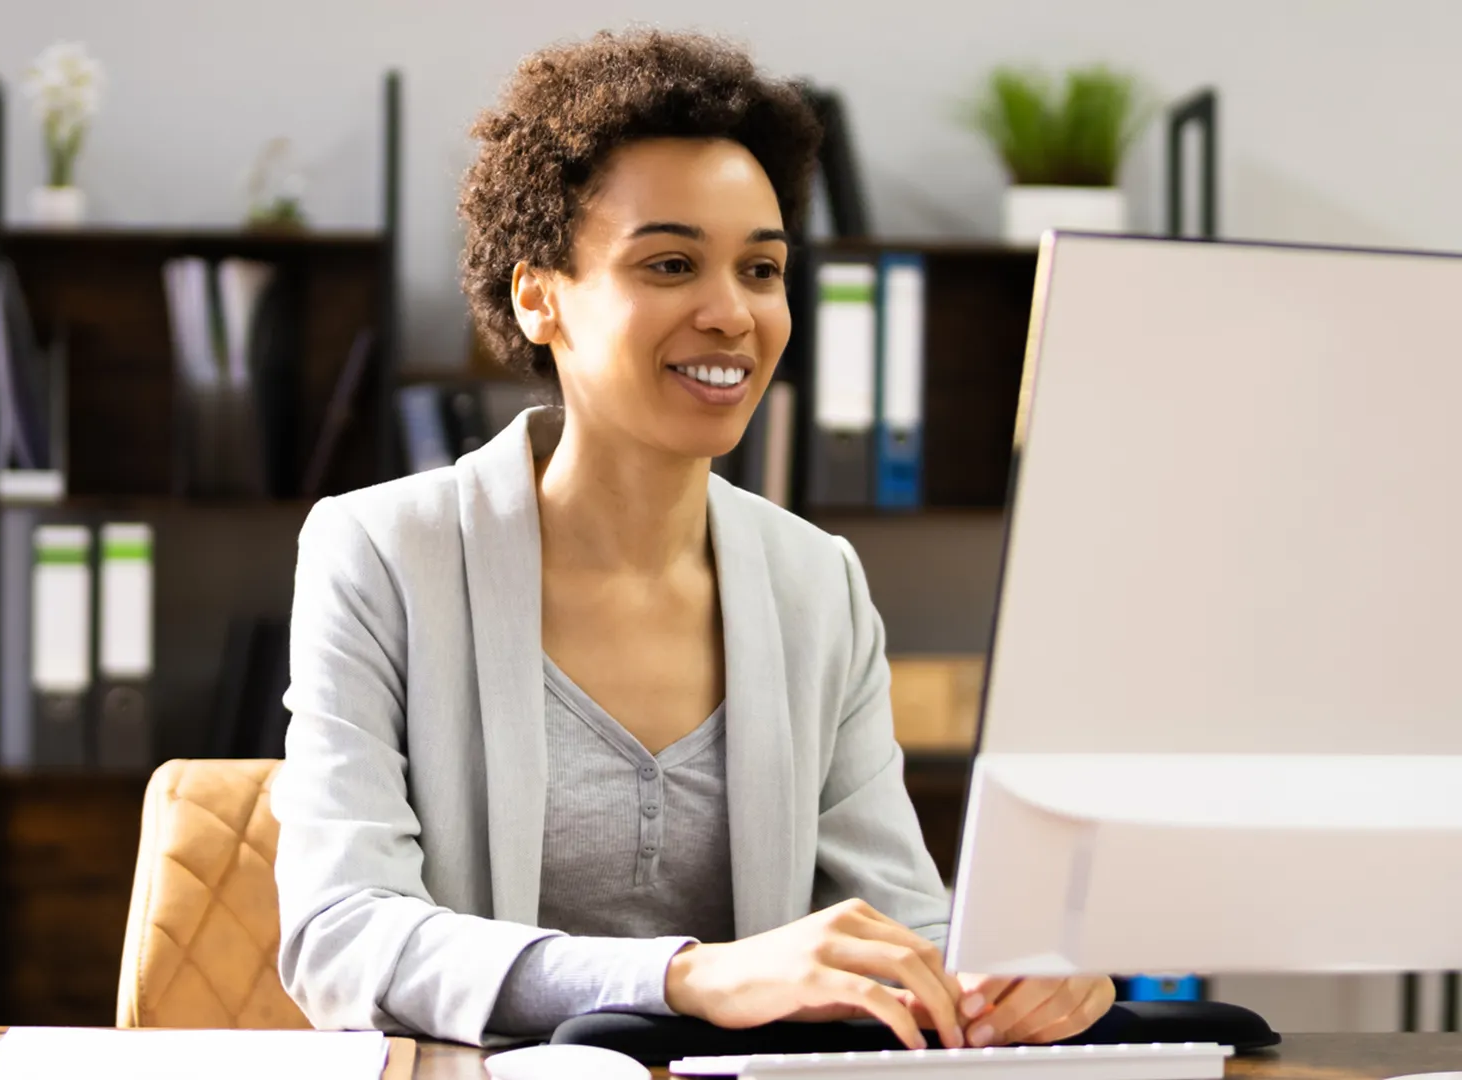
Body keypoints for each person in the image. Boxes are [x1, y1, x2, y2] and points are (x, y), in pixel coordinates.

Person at [271, 27, 1115, 1049]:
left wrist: (1008, 981)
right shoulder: (382, 553)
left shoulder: (818, 582)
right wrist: (689, 977)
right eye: (670, 263)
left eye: (762, 270)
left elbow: (901, 922)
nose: (732, 313)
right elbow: (341, 937)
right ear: (540, 297)